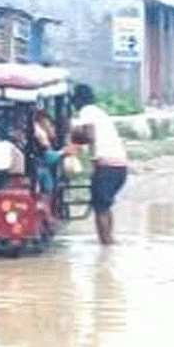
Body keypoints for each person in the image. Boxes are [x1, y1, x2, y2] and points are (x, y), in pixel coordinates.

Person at [63, 84, 127, 245]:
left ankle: (105, 244)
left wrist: (71, 134)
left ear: (78, 100)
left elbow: (89, 134)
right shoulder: (100, 113)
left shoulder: (87, 112)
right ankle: (109, 241)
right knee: (105, 205)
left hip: (107, 167)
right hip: (120, 167)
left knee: (100, 208)